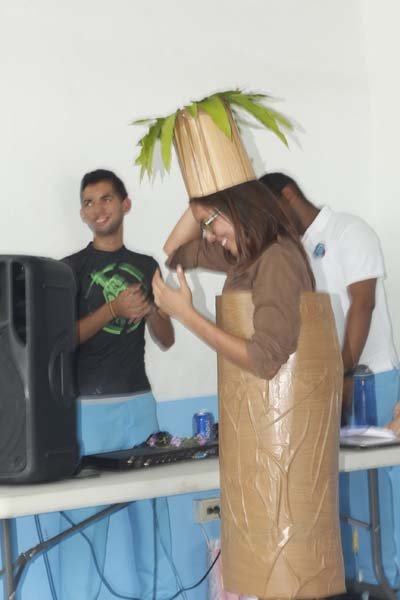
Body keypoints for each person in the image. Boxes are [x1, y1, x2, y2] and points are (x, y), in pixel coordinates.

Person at [259, 171, 400, 586]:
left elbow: (362, 304)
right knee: (341, 496)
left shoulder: (349, 231)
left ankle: (390, 582)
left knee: (383, 490)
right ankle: (358, 583)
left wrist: (343, 374)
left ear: (287, 195)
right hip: (326, 386)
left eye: (269, 213)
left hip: (370, 380)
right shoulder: (293, 253)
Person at [60, 169, 176, 600]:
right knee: (84, 529)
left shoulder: (147, 267)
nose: (98, 209)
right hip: (88, 412)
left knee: (151, 520)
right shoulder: (68, 269)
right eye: (89, 202)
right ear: (82, 213)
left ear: (125, 204)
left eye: (106, 198)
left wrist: (149, 310)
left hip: (139, 407)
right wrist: (112, 309)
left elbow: (167, 339)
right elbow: (64, 339)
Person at [153, 180, 314, 380]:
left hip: (275, 398)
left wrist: (186, 315)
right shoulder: (245, 256)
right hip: (246, 396)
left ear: (236, 205)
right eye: (203, 226)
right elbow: (174, 251)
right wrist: (201, 192)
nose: (209, 237)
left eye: (209, 223)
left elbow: (266, 361)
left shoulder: (277, 258)